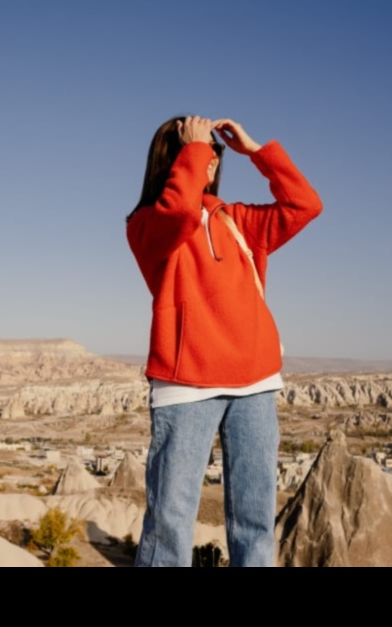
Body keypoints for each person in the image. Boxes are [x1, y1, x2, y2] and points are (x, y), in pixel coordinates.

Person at [126, 115, 322, 567]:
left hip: (255, 383)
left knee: (254, 525)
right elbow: (176, 211)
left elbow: (305, 205)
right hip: (185, 384)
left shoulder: (236, 220)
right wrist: (194, 146)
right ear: (171, 160)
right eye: (196, 149)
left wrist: (256, 152)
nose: (209, 155)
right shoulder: (146, 225)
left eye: (211, 150)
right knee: (169, 525)